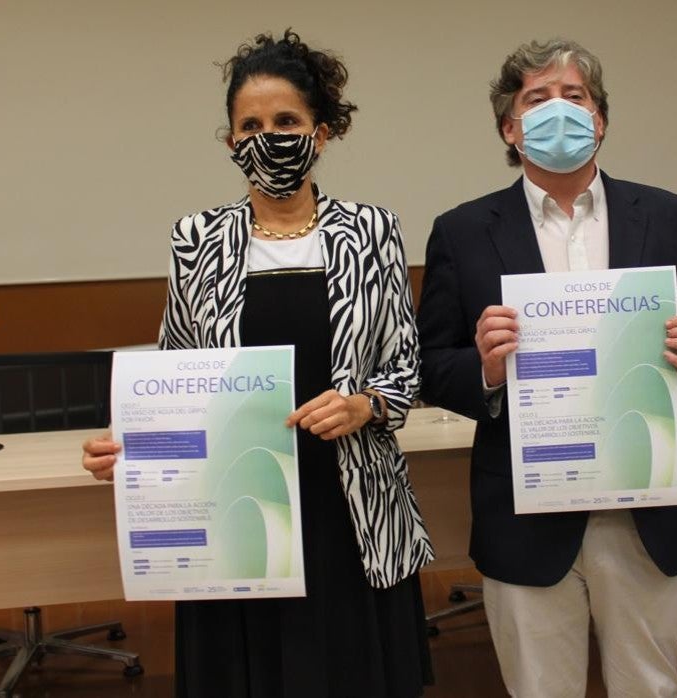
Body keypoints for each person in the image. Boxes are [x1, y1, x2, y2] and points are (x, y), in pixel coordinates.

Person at [80, 30, 433, 698]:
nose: (268, 138)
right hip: (237, 506)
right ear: (230, 141)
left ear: (321, 134)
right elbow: (176, 374)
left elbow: (405, 370)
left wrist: (365, 405)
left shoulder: (374, 232)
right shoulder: (196, 240)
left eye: (287, 122)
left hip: (348, 504)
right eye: (251, 125)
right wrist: (131, 446)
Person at [415, 38, 677, 697]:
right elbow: (431, 363)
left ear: (601, 118)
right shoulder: (464, 231)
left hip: (644, 510)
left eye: (575, 96)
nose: (558, 109)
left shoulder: (666, 215)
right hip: (525, 514)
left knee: (650, 685)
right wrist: (486, 369)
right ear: (510, 125)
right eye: (537, 98)